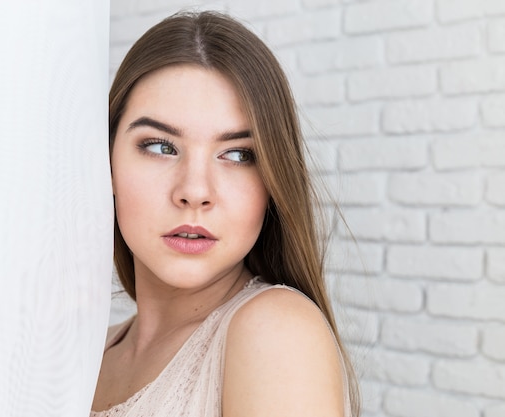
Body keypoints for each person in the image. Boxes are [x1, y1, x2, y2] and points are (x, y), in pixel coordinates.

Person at [92, 10, 360, 417]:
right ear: (106, 161)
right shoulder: (83, 351)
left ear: (272, 180)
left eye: (237, 154)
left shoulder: (276, 333)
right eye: (161, 147)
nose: (195, 192)